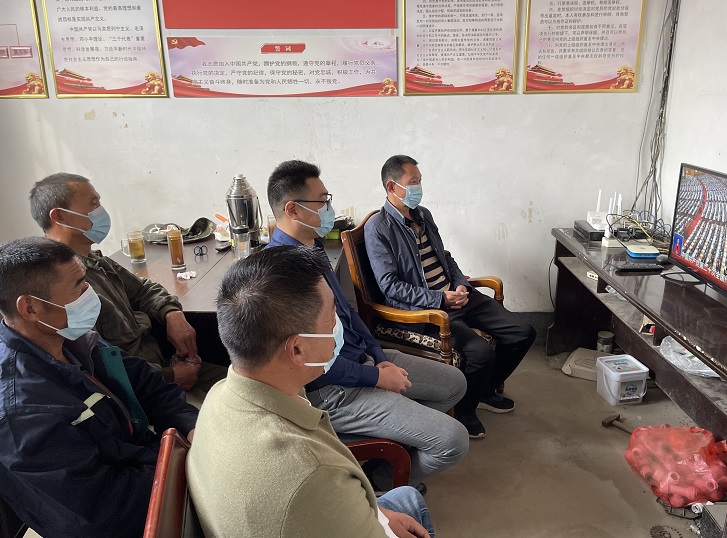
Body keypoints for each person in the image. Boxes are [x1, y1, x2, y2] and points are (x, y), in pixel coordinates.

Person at [188, 245, 433, 537]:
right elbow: (314, 484)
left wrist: (377, 514)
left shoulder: (219, 394)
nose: (338, 326)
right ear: (297, 349)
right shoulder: (314, 471)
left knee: (407, 498)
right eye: (331, 318)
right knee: (411, 502)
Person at [265, 160, 468, 488]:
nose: (329, 208)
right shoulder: (283, 275)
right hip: (334, 390)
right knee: (453, 440)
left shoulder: (312, 248)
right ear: (293, 210)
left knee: (455, 383)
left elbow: (349, 313)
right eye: (322, 201)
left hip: (365, 360)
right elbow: (316, 365)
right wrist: (376, 377)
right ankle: (381, 479)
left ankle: (388, 457)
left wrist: (380, 357)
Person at [0, 237, 198, 538]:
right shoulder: (23, 413)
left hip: (154, 467)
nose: (90, 294)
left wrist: (189, 425)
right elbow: (104, 513)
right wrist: (180, 464)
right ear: (30, 307)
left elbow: (146, 382)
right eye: (79, 286)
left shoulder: (73, 338)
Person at [364, 155, 537, 439]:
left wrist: (460, 286)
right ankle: (465, 412)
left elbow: (445, 257)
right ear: (392, 187)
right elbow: (390, 287)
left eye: (420, 181)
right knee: (479, 352)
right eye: (413, 182)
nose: (419, 188)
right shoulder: (378, 228)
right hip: (428, 311)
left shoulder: (423, 215)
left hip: (456, 296)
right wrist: (440, 299)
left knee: (523, 332)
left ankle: (485, 390)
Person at [29, 173, 226, 402]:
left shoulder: (96, 261)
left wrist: (172, 313)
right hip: (144, 391)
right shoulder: (61, 287)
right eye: (93, 203)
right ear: (60, 216)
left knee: (247, 382)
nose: (100, 211)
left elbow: (142, 289)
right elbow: (100, 365)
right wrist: (170, 376)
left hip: (164, 365)